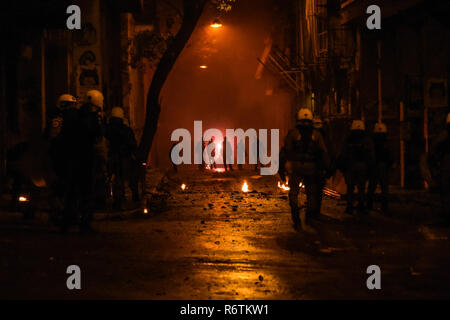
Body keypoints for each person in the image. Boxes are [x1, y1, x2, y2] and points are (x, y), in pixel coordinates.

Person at [280, 108, 331, 232]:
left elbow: (285, 151)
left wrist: (280, 168)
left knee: (293, 193)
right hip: (311, 168)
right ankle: (308, 217)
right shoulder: (316, 135)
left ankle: (296, 218)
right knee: (311, 194)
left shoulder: (293, 133)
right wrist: (328, 169)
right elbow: (323, 152)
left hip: (296, 167)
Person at [105, 107, 139, 210]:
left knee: (113, 179)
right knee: (126, 178)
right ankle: (129, 198)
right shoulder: (126, 130)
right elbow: (133, 144)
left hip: (112, 157)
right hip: (124, 158)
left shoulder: (107, 129)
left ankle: (116, 199)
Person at [338, 120, 374, 215]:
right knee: (361, 188)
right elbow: (370, 154)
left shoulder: (348, 139)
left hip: (350, 166)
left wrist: (342, 166)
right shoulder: (366, 140)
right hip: (362, 166)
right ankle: (361, 206)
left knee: (350, 187)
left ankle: (350, 206)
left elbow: (343, 153)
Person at [367, 123, 393, 215]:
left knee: (372, 187)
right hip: (383, 166)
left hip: (375, 165)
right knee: (384, 188)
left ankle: (369, 205)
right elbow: (390, 156)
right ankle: (384, 207)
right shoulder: (386, 143)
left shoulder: (373, 142)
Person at [430, 113, 450, 220]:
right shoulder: (444, 135)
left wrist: (434, 162)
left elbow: (434, 148)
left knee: (446, 191)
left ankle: (447, 214)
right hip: (445, 163)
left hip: (446, 164)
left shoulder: (444, 135)